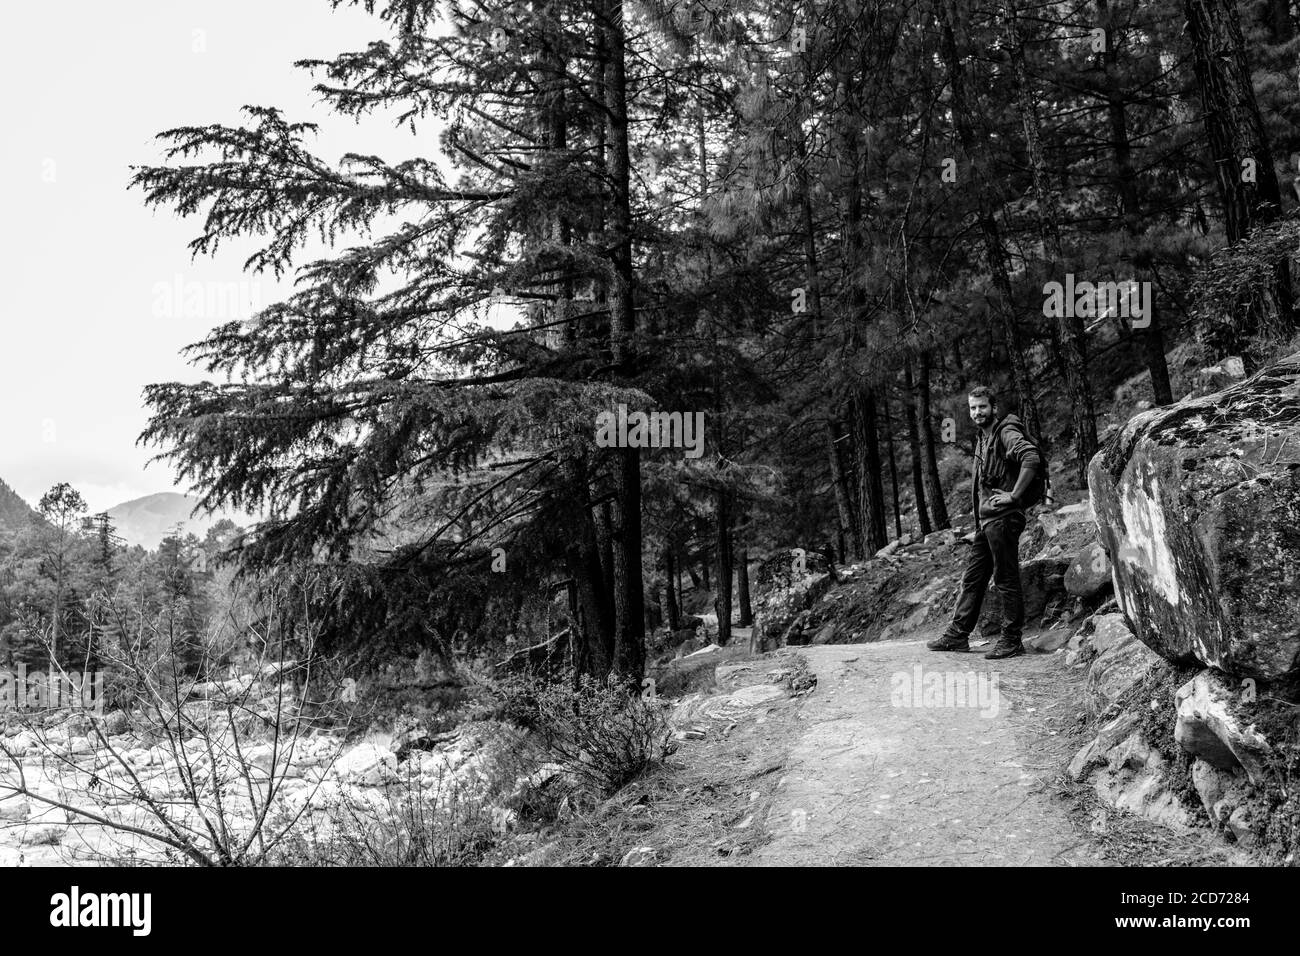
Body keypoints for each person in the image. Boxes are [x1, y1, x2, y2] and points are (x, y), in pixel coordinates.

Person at [927, 386, 1040, 660]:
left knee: (1006, 578)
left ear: (994, 408)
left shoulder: (1005, 432)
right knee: (974, 578)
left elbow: (1031, 457)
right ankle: (958, 635)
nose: (977, 412)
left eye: (982, 407)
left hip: (1003, 520)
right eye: (973, 408)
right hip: (986, 523)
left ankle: (1012, 639)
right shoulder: (983, 438)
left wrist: (1014, 496)